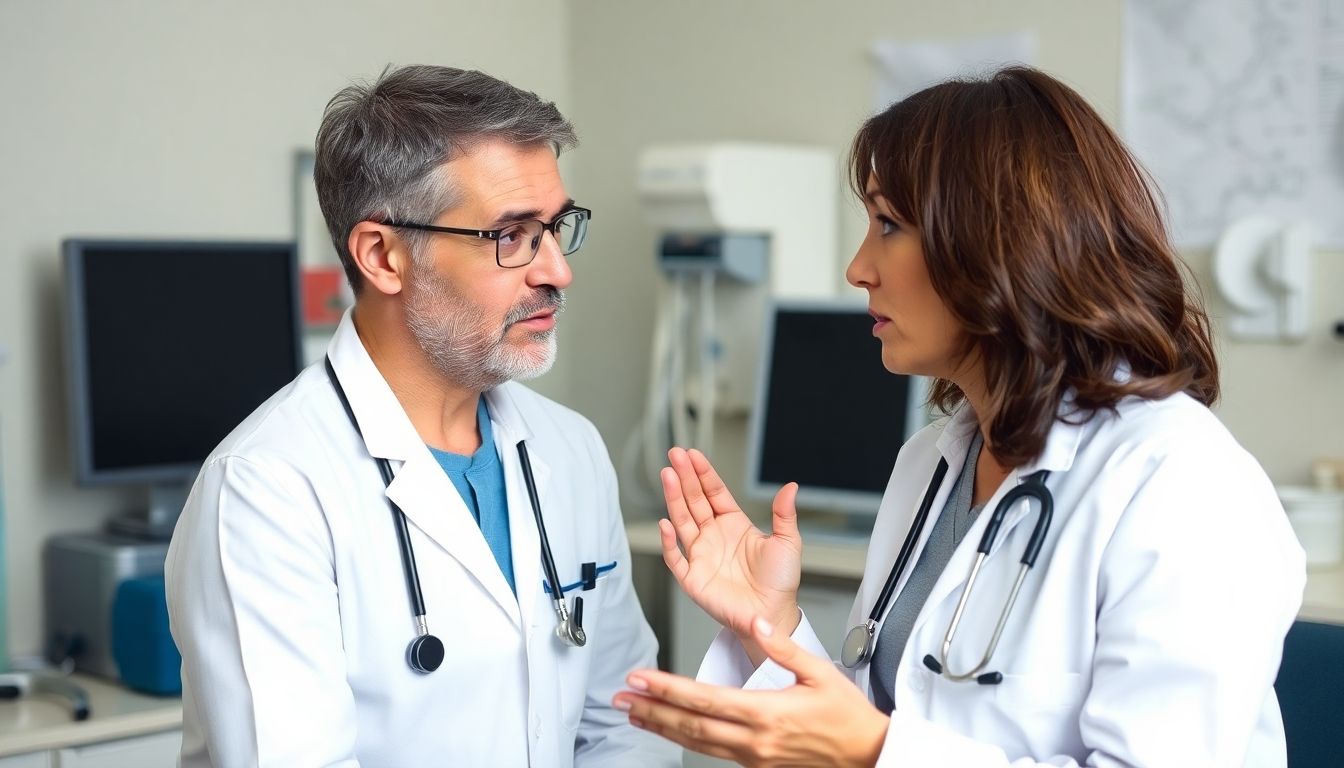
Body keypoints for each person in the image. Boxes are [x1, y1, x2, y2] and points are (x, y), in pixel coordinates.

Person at [613, 66, 1306, 766]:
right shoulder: (931, 464)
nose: (858, 268)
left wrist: (875, 752)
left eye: (889, 224)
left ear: (995, 244)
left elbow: (881, 747)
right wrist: (775, 624)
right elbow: (870, 724)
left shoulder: (1183, 483)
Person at [167, 65, 678, 768]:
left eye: (556, 227)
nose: (558, 270)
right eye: (512, 235)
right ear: (382, 255)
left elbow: (624, 722)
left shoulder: (569, 448)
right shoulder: (267, 490)